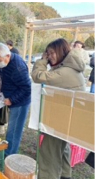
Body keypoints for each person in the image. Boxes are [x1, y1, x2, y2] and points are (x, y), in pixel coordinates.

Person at [31, 39, 87, 179]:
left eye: (51, 53)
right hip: (67, 119)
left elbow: (38, 76)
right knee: (62, 149)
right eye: (47, 53)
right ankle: (65, 175)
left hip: (61, 120)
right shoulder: (70, 67)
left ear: (61, 51)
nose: (49, 56)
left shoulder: (65, 72)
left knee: (49, 154)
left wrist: (42, 61)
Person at [0, 43, 31, 157]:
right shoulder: (6, 63)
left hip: (20, 103)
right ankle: (8, 152)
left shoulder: (18, 68)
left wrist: (12, 99)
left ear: (7, 56)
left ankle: (9, 155)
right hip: (11, 97)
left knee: (14, 130)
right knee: (12, 129)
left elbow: (27, 88)